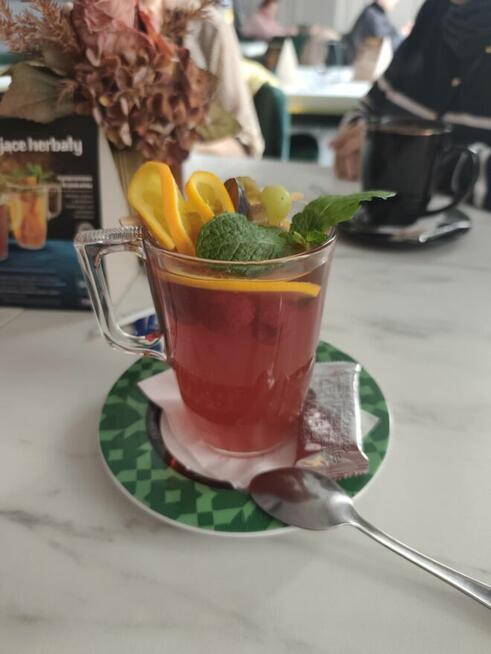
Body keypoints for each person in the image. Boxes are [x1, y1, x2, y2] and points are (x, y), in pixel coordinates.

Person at [331, 0, 491, 210]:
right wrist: (361, 137)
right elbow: (368, 108)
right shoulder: (435, 12)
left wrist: (397, 156)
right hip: (388, 219)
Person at [142, 0, 264, 158]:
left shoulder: (208, 27)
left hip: (181, 170)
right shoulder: (110, 25)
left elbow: (246, 145)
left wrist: (183, 152)